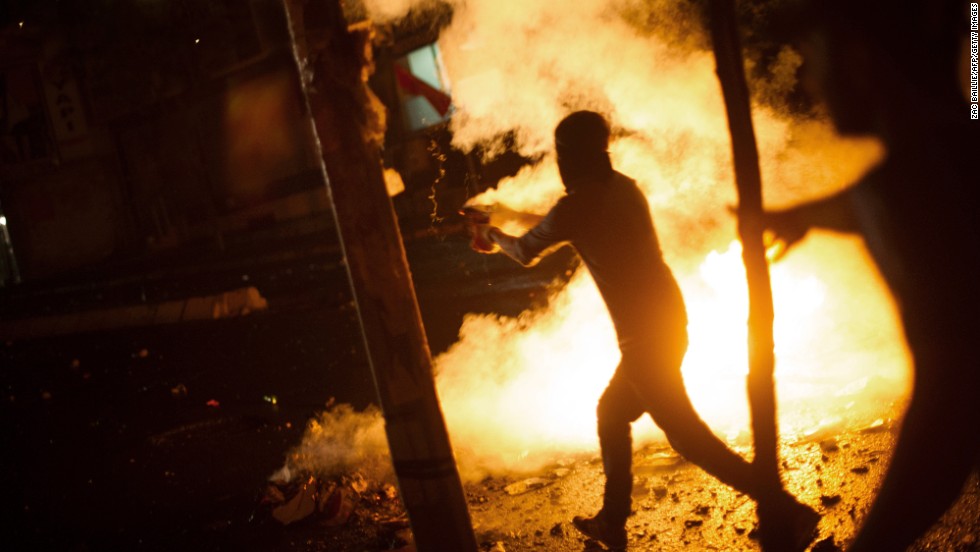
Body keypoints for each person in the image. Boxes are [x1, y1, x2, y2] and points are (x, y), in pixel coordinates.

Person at [468, 110, 818, 551]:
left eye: (560, 152)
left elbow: (525, 250)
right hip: (669, 318)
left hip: (643, 338)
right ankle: (612, 521)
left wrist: (492, 235)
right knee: (612, 413)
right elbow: (561, 218)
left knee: (690, 439)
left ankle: (790, 513)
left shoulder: (576, 206)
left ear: (570, 156)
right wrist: (507, 212)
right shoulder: (623, 188)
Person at [762, 3, 979, 550]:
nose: (810, 80)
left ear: (858, 61)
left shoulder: (911, 183)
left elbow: (954, 398)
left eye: (815, 55)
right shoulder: (948, 156)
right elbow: (886, 203)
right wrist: (803, 216)